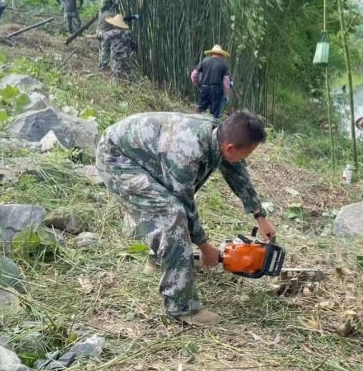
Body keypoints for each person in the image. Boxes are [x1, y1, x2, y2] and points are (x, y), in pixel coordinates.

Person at [95, 110, 275, 326]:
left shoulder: (218, 133)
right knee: (172, 213)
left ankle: (158, 259)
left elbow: (236, 171)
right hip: (117, 159)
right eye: (246, 154)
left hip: (145, 154)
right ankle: (182, 307)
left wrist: (259, 215)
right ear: (230, 148)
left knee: (171, 208)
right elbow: (184, 204)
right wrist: (206, 247)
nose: (245, 159)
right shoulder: (186, 149)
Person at [191, 46, 233, 119]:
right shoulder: (223, 64)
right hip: (216, 91)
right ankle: (212, 129)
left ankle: (199, 128)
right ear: (221, 54)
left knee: (200, 112)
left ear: (211, 53)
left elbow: (194, 74)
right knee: (214, 116)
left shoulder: (204, 61)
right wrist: (226, 95)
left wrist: (197, 83)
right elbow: (226, 82)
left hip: (203, 89)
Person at [99, 14, 136, 80]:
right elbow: (132, 43)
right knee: (129, 71)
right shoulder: (128, 32)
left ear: (115, 24)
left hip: (117, 55)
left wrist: (99, 32)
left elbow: (104, 36)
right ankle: (134, 83)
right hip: (127, 55)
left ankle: (115, 87)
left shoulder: (114, 32)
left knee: (116, 72)